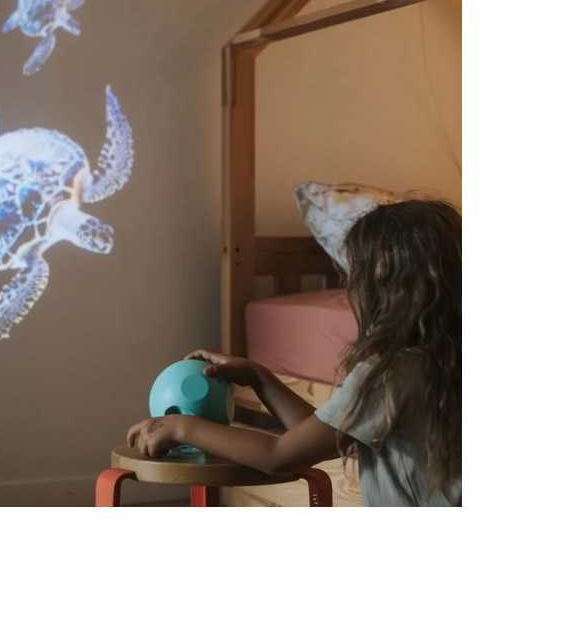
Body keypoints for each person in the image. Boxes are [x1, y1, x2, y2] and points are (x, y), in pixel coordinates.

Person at [126, 200, 461, 506]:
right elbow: (320, 436)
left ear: (385, 287)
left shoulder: (388, 372)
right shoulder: (441, 362)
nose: (350, 290)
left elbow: (280, 455)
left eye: (354, 277)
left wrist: (183, 428)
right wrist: (259, 378)